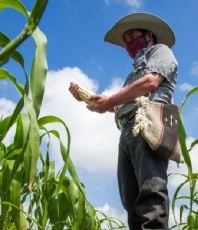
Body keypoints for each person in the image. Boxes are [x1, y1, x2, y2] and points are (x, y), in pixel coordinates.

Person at [69, 12, 178, 229]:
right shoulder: (131, 76)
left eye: (133, 35)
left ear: (149, 37)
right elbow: (120, 105)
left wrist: (109, 100)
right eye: (125, 39)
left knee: (151, 189)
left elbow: (150, 83)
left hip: (148, 122)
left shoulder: (161, 52)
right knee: (131, 197)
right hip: (128, 129)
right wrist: (92, 100)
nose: (129, 42)